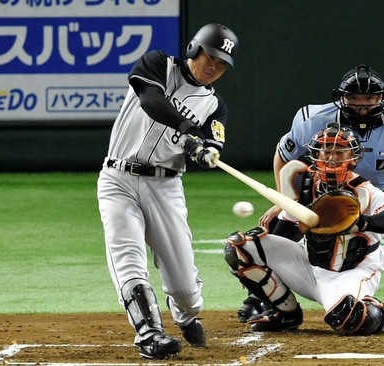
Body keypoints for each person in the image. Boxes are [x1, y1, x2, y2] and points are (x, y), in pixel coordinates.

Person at [238, 64, 384, 323]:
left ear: (381, 98)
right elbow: (283, 156)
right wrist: (286, 200)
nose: (362, 105)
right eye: (354, 98)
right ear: (341, 98)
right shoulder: (312, 120)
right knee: (275, 236)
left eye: (369, 98)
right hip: (324, 189)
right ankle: (261, 300)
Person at [97, 23, 239, 359]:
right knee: (128, 257)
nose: (213, 68)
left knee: (186, 289)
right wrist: (188, 131)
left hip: (165, 186)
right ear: (193, 49)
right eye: (210, 58)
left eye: (221, 65)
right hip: (118, 178)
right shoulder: (158, 64)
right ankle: (148, 333)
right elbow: (151, 100)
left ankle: (185, 313)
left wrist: (203, 149)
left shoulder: (215, 107)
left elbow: (211, 141)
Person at [224, 124, 384, 335]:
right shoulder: (305, 186)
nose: (331, 158)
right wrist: (263, 248)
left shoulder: (365, 191)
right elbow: (287, 230)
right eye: (326, 151)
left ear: (353, 157)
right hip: (311, 268)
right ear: (315, 154)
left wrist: (361, 223)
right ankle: (285, 314)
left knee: (351, 319)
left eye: (339, 152)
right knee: (240, 248)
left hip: (352, 272)